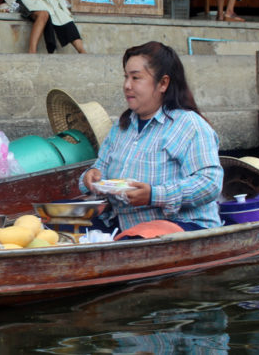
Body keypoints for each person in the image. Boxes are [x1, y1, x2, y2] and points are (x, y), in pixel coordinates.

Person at [81, 41, 223, 234]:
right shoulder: (121, 127)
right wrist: (91, 177)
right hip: (127, 225)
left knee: (131, 239)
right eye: (126, 77)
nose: (127, 85)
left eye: (136, 78)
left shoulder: (189, 125)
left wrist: (154, 195)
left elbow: (209, 183)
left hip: (182, 226)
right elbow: (100, 169)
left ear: (163, 83)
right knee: (53, 226)